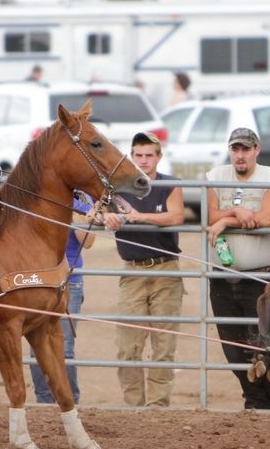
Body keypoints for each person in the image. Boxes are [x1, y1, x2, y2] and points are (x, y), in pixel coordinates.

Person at [206, 127, 270, 410]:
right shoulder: (216, 176)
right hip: (222, 277)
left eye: (245, 149)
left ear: (257, 150)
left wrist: (224, 220)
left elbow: (266, 218)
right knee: (233, 349)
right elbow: (209, 214)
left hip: (259, 277)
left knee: (265, 347)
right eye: (235, 149)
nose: (240, 155)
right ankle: (253, 402)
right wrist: (236, 213)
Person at [101, 132, 184, 407]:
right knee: (128, 345)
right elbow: (95, 212)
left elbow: (176, 216)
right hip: (133, 270)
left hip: (166, 270)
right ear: (131, 156)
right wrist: (107, 216)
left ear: (159, 157)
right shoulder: (118, 187)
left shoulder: (170, 185)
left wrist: (139, 217)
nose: (144, 160)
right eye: (139, 155)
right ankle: (134, 406)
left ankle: (158, 406)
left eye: (149, 155)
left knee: (164, 344)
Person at [29, 193, 97, 404]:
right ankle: (44, 401)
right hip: (39, 280)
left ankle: (69, 402)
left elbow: (87, 242)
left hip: (70, 280)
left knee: (64, 348)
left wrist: (77, 213)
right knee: (36, 348)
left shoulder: (83, 199)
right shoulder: (38, 193)